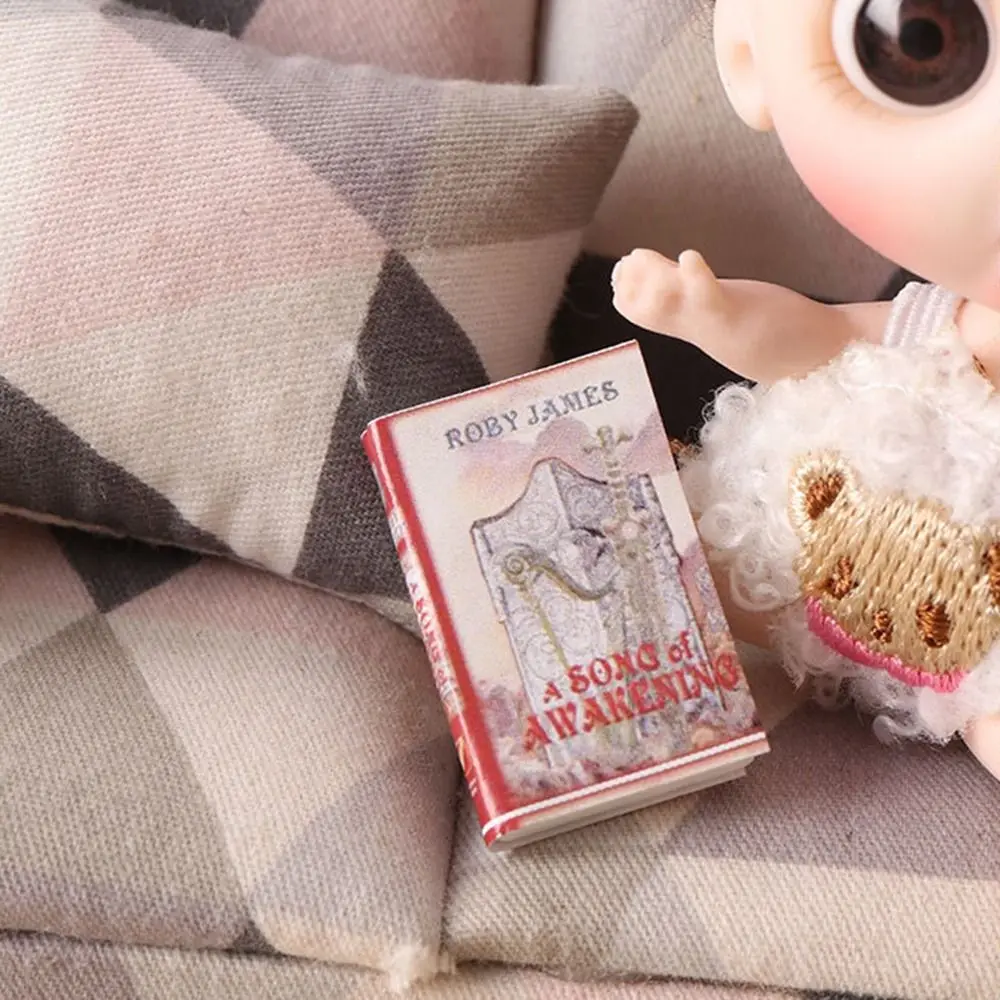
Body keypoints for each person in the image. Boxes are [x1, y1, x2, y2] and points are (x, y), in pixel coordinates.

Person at [611, 0, 1000, 778]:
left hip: (975, 644)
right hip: (807, 557)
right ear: (745, 53)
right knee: (684, 555)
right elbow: (822, 335)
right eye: (923, 40)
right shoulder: (936, 322)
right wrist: (714, 315)